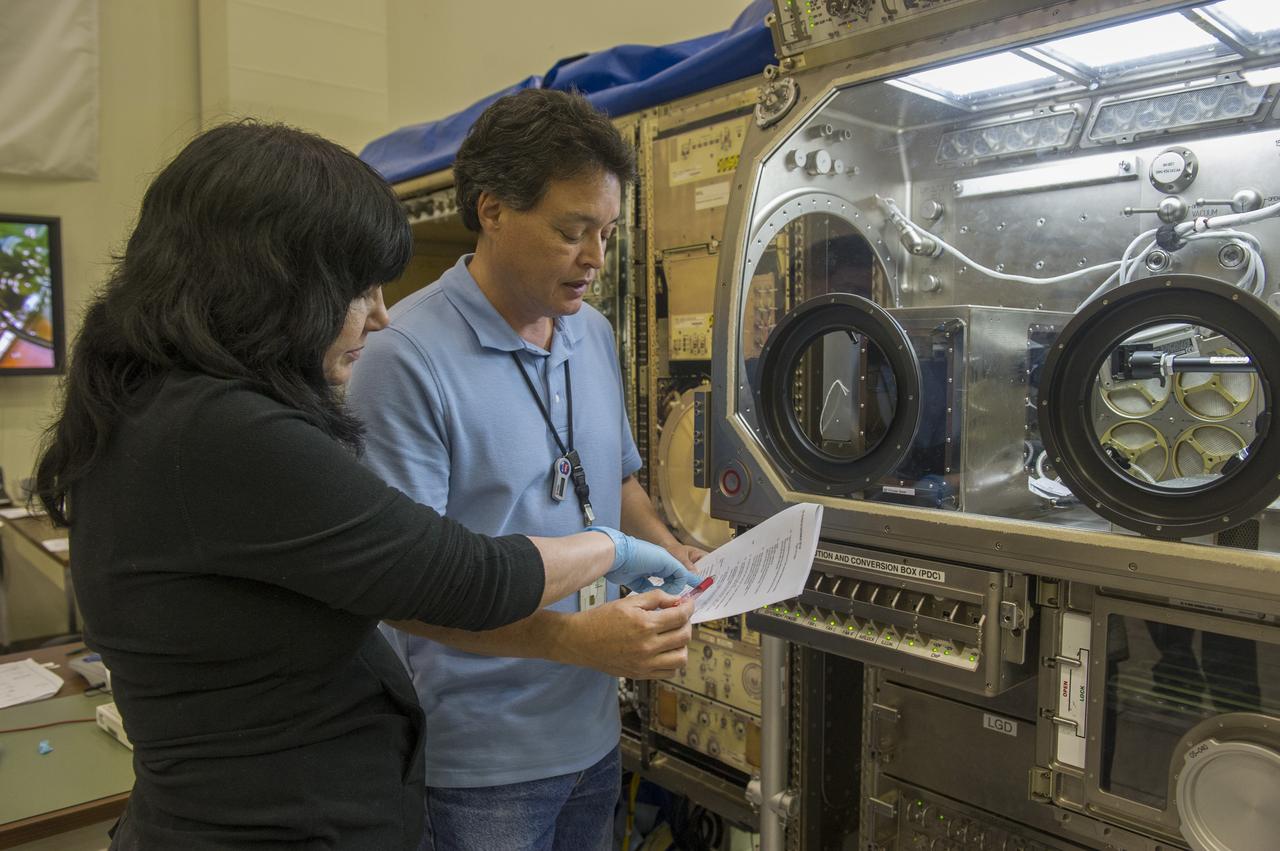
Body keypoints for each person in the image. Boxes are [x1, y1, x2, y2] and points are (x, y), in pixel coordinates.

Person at [31, 121, 696, 850]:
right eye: (358, 288)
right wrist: (608, 547)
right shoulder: (223, 432)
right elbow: (452, 575)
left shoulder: (160, 406)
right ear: (275, 283)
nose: (378, 314)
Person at [347, 89, 706, 851]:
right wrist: (576, 641)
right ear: (492, 210)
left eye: (606, 233)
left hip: (592, 737)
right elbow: (405, 592)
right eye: (573, 231)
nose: (597, 260)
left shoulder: (594, 334)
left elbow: (614, 484)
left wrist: (672, 553)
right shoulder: (403, 358)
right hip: (477, 766)